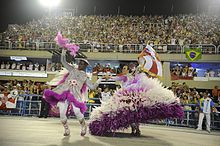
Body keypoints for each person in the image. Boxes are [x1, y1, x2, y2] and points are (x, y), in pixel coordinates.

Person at [43, 32, 101, 136]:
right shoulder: (72, 69)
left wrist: (98, 81)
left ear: (85, 66)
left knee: (78, 113)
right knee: (61, 114)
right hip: (64, 91)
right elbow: (63, 61)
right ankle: (66, 129)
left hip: (75, 95)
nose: (80, 64)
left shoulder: (85, 76)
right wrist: (63, 52)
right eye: (80, 63)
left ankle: (83, 126)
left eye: (83, 64)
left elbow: (92, 87)